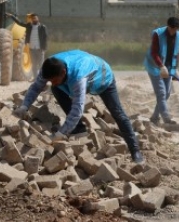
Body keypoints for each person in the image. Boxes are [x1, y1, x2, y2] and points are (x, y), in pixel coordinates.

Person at [13, 50, 145, 165]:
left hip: (103, 80)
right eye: (50, 80)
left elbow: (77, 109)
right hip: (80, 74)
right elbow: (37, 86)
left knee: (118, 113)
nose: (51, 82)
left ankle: (135, 151)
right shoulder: (48, 68)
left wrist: (61, 133)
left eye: (54, 79)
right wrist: (24, 106)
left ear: (63, 72)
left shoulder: (78, 77)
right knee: (55, 88)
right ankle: (79, 129)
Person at [144, 16, 179, 125]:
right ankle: (167, 119)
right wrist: (161, 66)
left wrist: (175, 69)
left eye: (175, 30)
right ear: (168, 27)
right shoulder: (157, 34)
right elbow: (154, 53)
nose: (173, 32)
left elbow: (176, 52)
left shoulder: (178, 35)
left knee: (167, 93)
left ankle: (155, 117)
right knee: (161, 93)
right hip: (154, 67)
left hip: (169, 66)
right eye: (171, 29)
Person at [8, 13, 48, 77]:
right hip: (32, 49)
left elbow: (45, 38)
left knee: (41, 65)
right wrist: (12, 16)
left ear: (38, 19)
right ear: (31, 20)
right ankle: (35, 78)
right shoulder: (29, 26)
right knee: (34, 65)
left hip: (40, 49)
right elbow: (20, 23)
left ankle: (41, 79)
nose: (34, 19)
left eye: (35, 18)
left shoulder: (42, 27)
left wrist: (44, 48)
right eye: (33, 19)